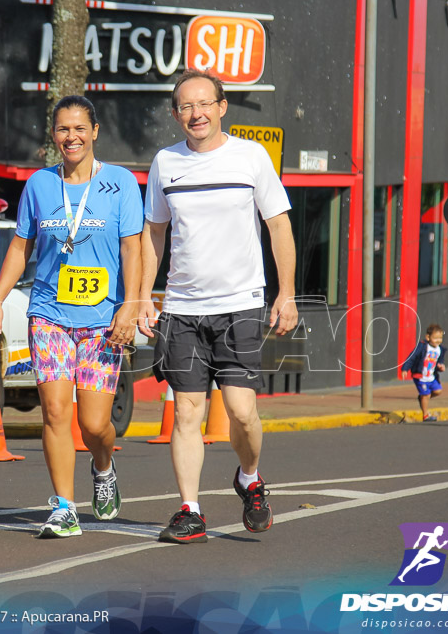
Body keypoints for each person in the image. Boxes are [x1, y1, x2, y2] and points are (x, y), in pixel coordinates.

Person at [137, 68, 298, 545]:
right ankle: (190, 510)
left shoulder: (251, 157)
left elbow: (279, 226)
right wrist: (147, 295)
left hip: (240, 304)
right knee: (186, 412)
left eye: (204, 104)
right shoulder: (165, 163)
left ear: (222, 107)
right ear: (175, 114)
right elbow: (154, 233)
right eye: (185, 106)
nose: (196, 113)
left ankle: (249, 476)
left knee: (241, 410)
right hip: (183, 308)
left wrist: (285, 293)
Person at [0, 96, 142, 538]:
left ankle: (104, 466)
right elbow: (20, 247)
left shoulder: (122, 183)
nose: (71, 137)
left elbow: (133, 247)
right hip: (48, 312)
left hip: (102, 318)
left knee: (93, 424)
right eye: (62, 129)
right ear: (52, 135)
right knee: (55, 412)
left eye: (79, 129)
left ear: (94, 132)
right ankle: (64, 507)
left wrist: (130, 305)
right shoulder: (39, 185)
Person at [401, 324, 448, 422]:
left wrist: (441, 367)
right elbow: (412, 357)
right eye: (435, 338)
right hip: (420, 376)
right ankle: (425, 415)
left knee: (438, 391)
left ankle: (422, 398)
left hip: (431, 376)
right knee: (426, 395)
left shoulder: (440, 349)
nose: (438, 340)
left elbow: (439, 362)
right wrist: (405, 369)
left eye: (440, 338)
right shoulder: (422, 347)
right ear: (428, 337)